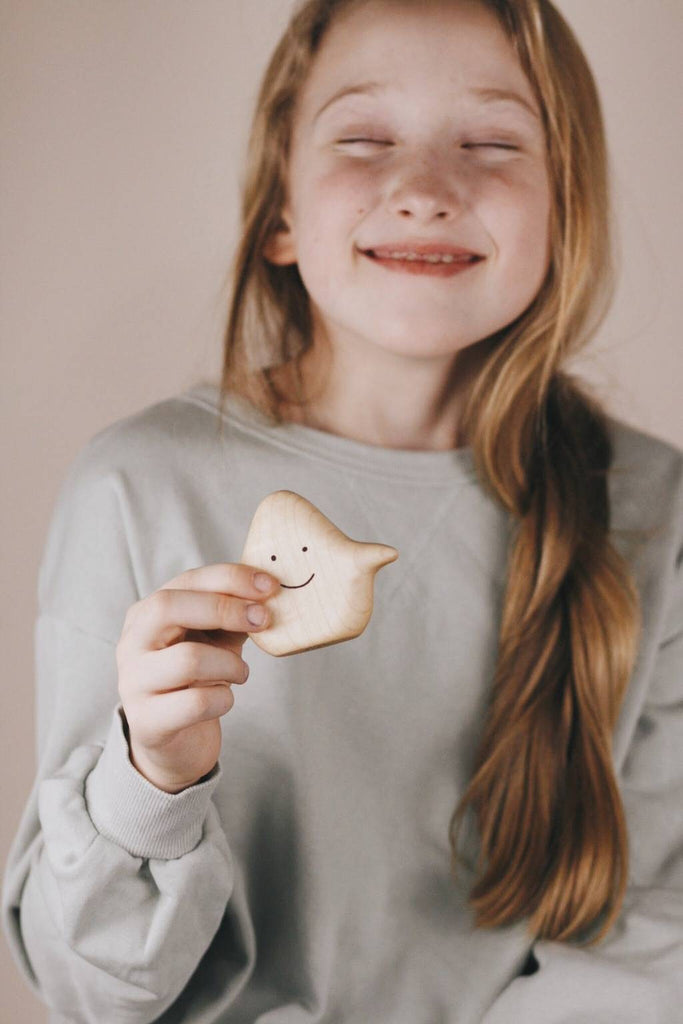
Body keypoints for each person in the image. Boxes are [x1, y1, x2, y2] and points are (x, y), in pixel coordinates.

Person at [2, 0, 682, 1020]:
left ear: (564, 206)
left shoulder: (648, 507)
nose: (422, 191)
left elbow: (652, 927)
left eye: (491, 143)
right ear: (280, 209)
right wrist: (151, 773)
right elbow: (89, 989)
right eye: (364, 139)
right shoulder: (139, 485)